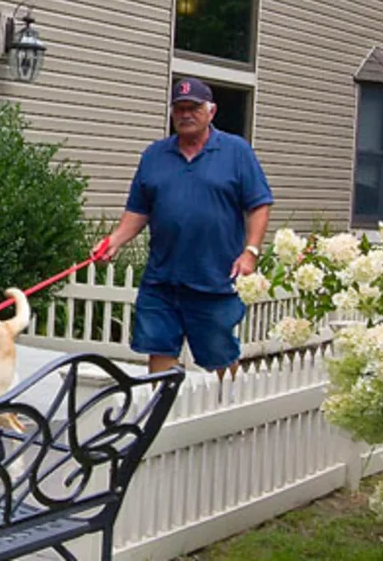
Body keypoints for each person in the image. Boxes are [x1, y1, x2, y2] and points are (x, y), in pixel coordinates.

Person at [92, 77, 273, 375]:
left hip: (214, 280)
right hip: (162, 281)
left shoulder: (236, 151)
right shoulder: (154, 155)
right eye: (179, 108)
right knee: (160, 350)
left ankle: (227, 413)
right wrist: (114, 240)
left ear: (211, 111)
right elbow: (138, 211)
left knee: (220, 356)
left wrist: (250, 251)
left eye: (194, 108)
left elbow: (259, 205)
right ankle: (162, 418)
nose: (186, 114)